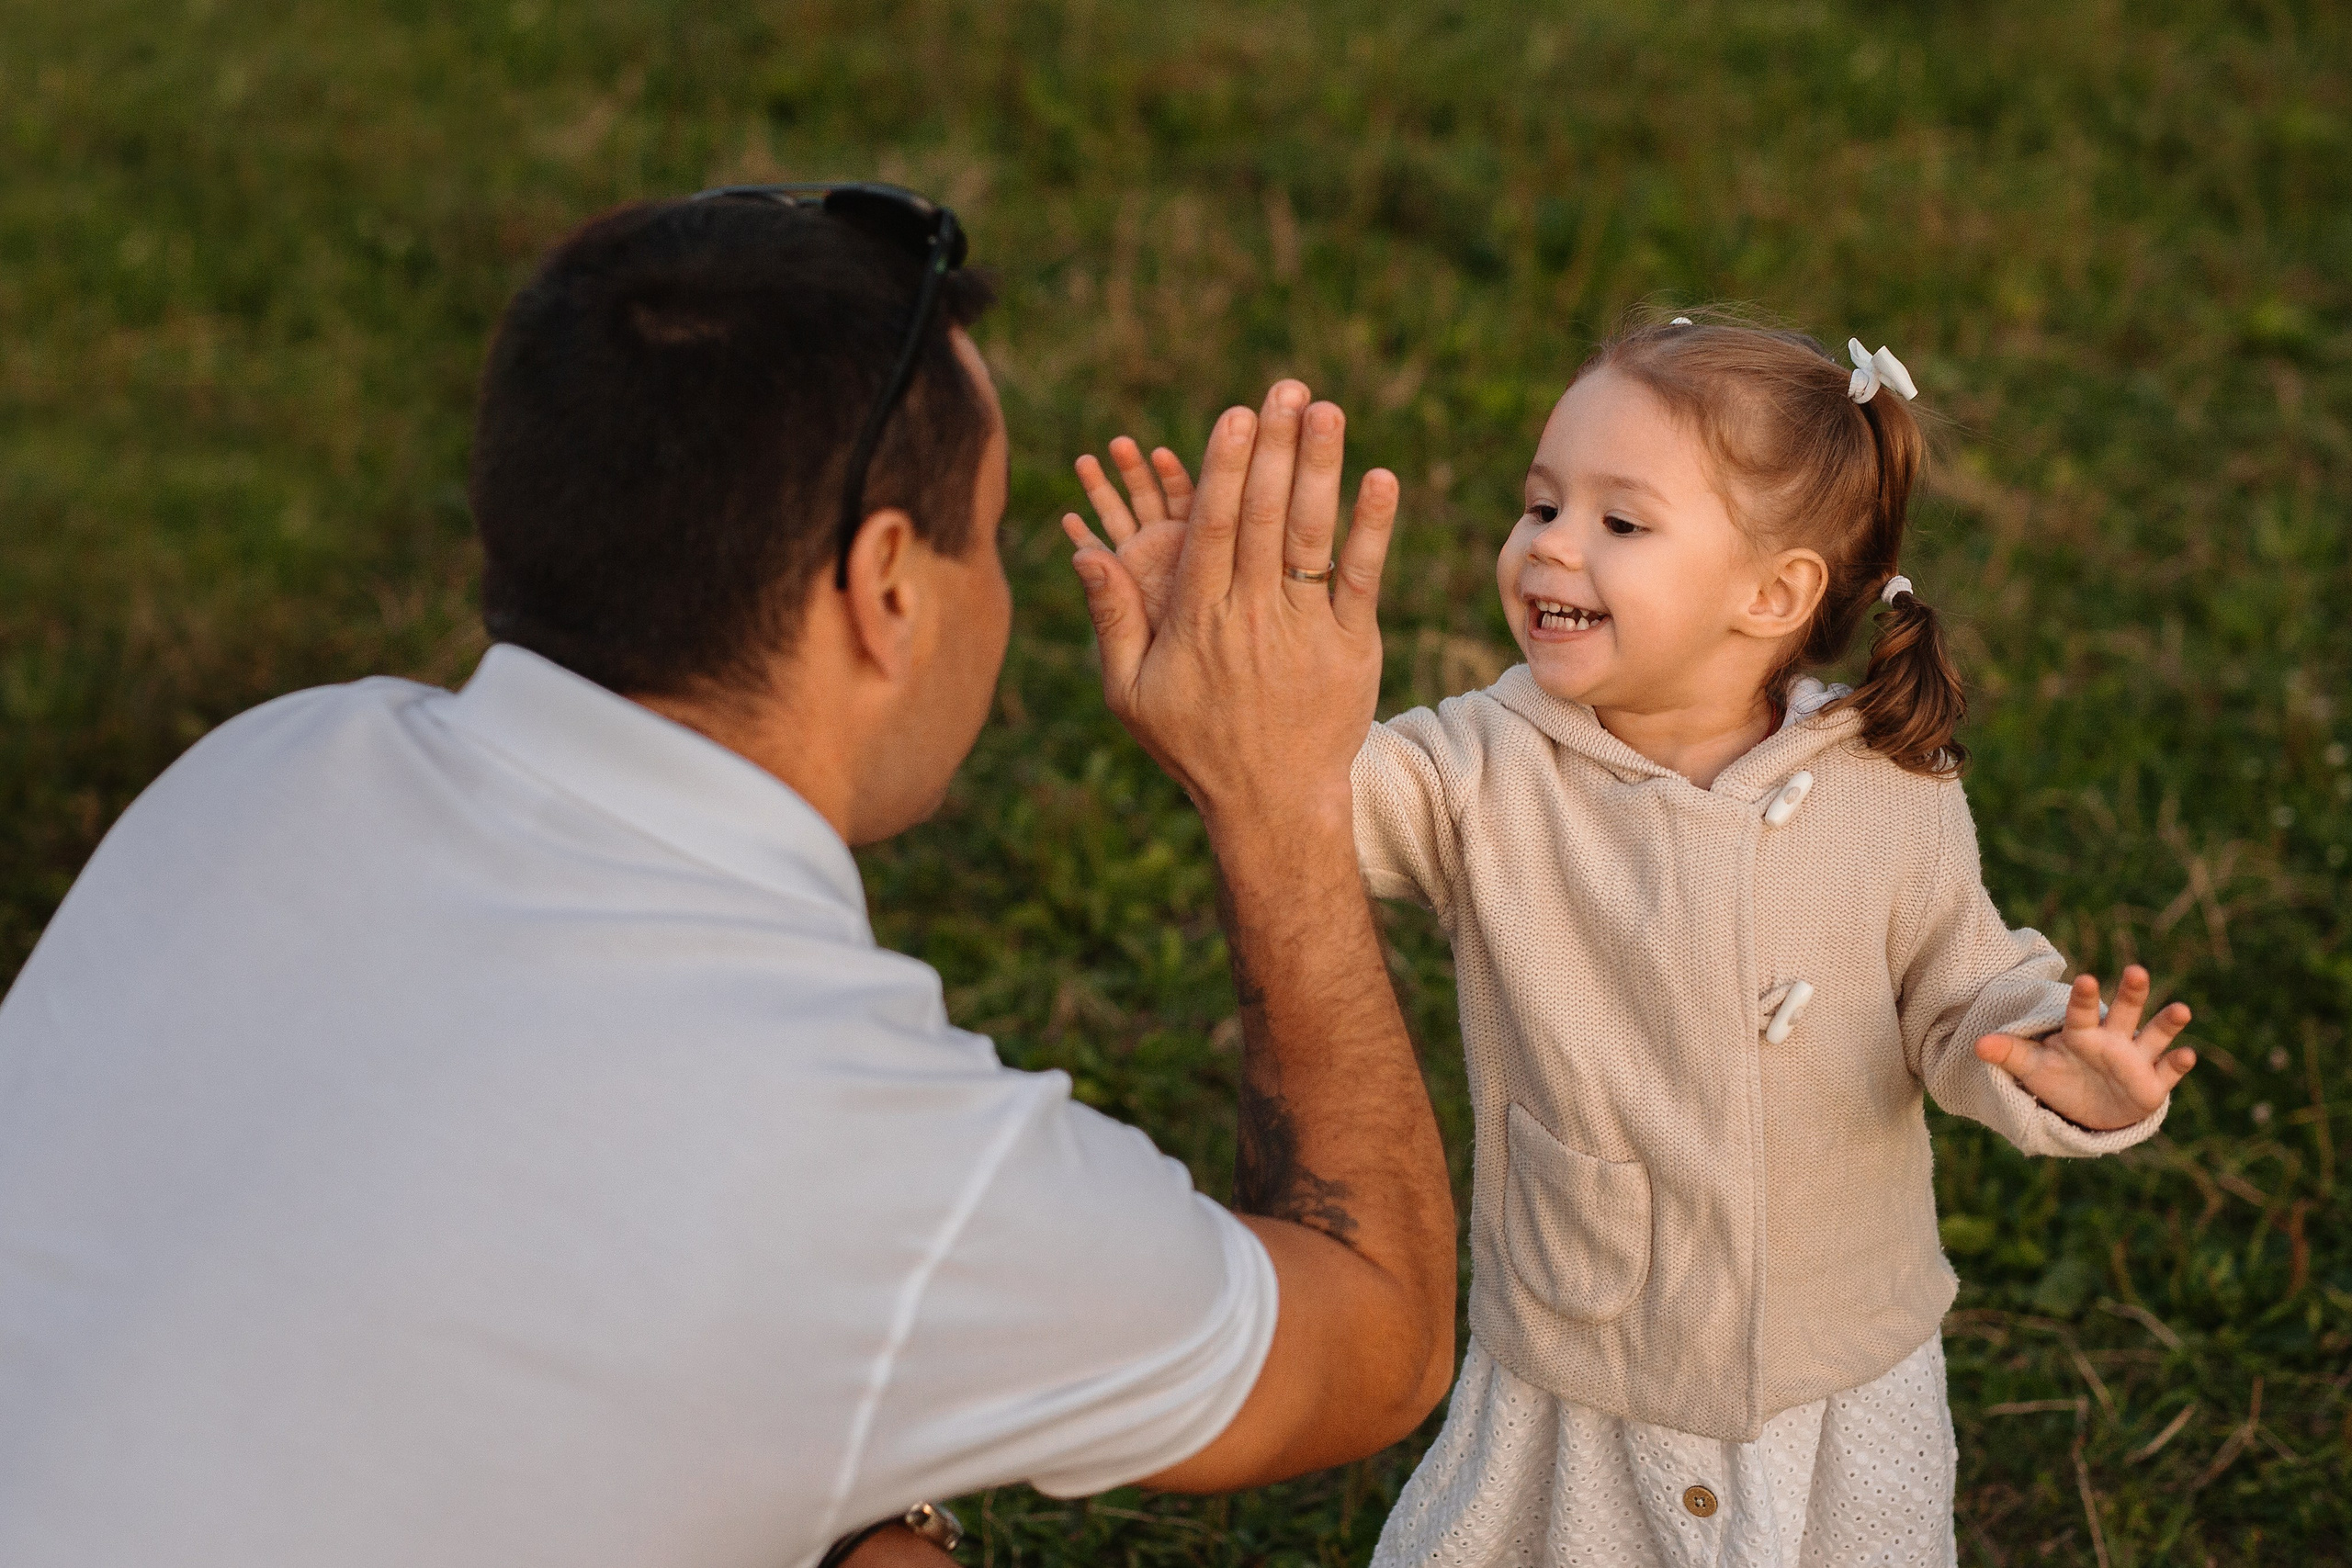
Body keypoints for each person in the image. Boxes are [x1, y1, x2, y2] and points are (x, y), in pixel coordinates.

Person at [0, 187, 1456, 1568]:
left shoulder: (272, 766)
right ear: (887, 587)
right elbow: (1377, 1337)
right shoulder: (882, 1158)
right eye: (991, 542)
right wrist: (1275, 804)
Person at [1062, 312, 2198, 1566]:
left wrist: (2045, 1049)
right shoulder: (1485, 767)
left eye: (1619, 521)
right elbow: (1304, 807)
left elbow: (1961, 981)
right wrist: (1231, 679)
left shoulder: (1892, 788)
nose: (1551, 545)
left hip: (1838, 1368)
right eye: (1540, 505)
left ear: (1775, 594)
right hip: (1590, 1356)